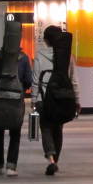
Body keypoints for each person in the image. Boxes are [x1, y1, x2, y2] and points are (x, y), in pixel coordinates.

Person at [0, 32, 33, 176]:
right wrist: (20, 88)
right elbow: (28, 80)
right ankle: (11, 165)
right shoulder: (23, 58)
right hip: (16, 100)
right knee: (15, 132)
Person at [34, 25, 79, 175]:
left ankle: (51, 158)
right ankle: (56, 161)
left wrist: (34, 99)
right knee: (58, 128)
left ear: (46, 40)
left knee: (45, 127)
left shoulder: (40, 55)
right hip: (61, 97)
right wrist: (77, 100)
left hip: (43, 98)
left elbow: (36, 80)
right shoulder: (68, 57)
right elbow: (73, 80)